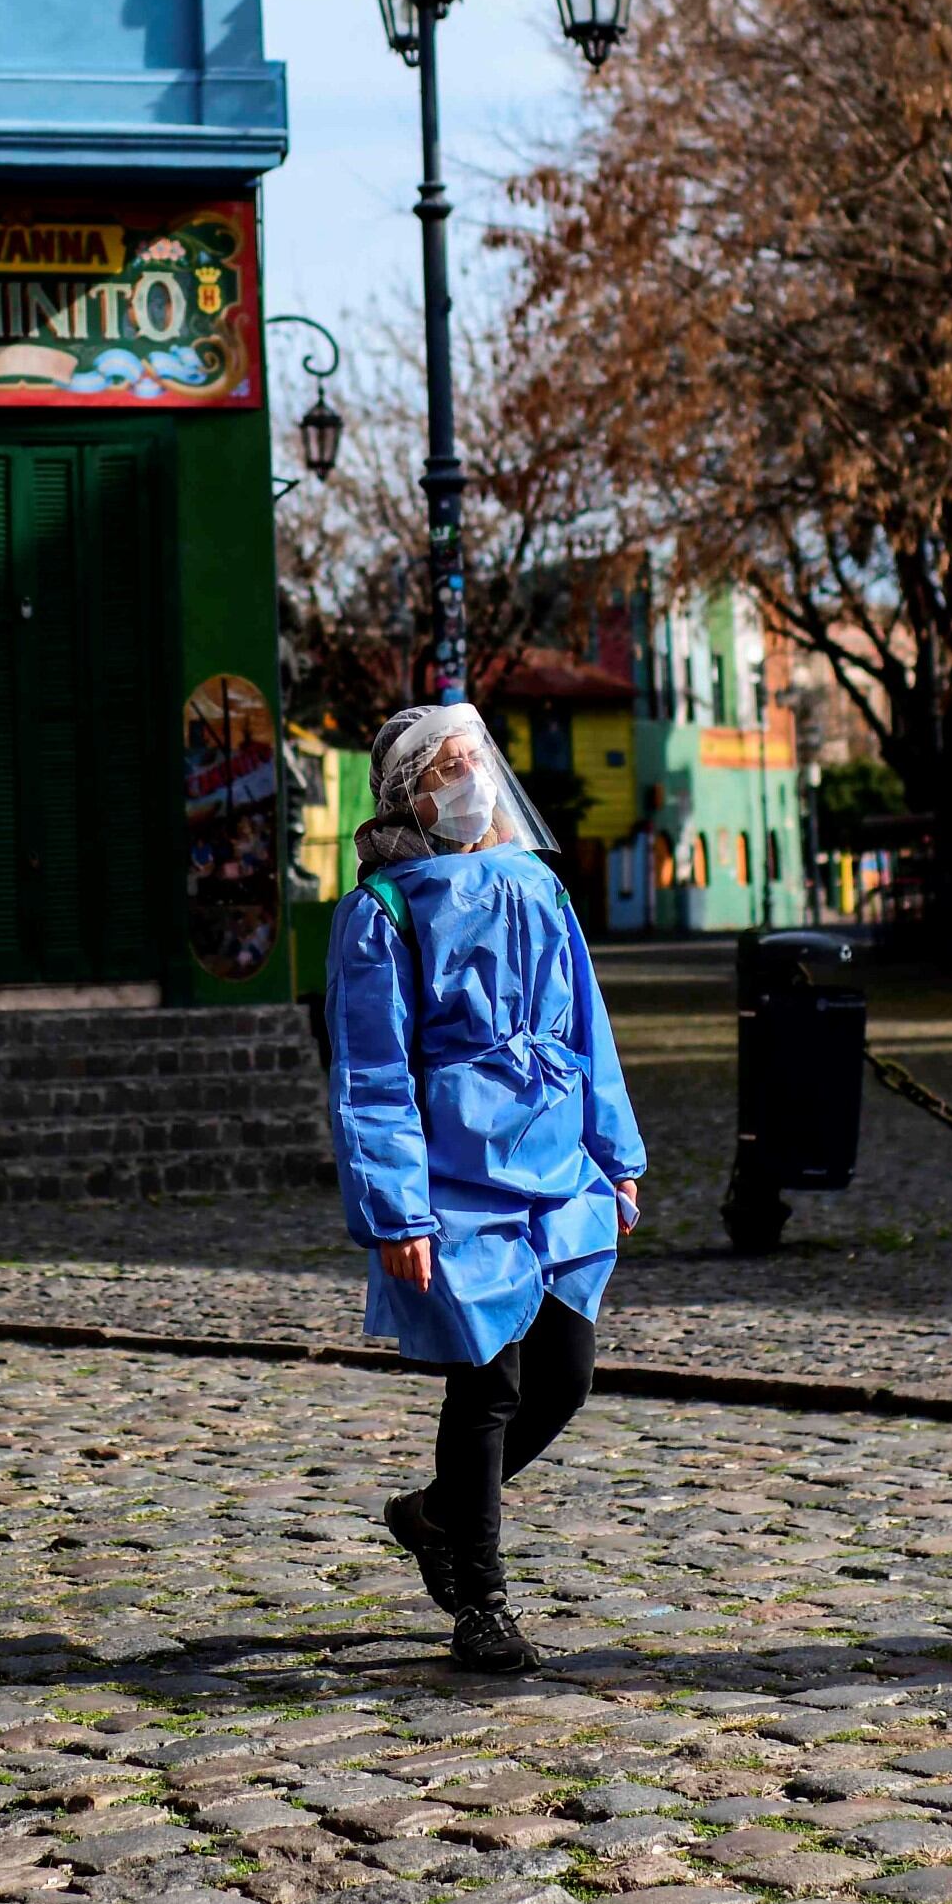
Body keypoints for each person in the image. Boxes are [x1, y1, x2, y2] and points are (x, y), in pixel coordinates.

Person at [324, 699, 647, 1677]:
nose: (469, 783)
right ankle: (483, 1604)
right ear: (408, 794)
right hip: (458, 1182)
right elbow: (371, 1073)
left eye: (476, 763)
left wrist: (616, 1153)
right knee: (490, 1386)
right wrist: (398, 1209)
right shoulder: (382, 915)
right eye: (445, 770)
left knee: (569, 1373)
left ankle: (434, 1515)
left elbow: (587, 1025)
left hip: (555, 1171)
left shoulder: (535, 889)